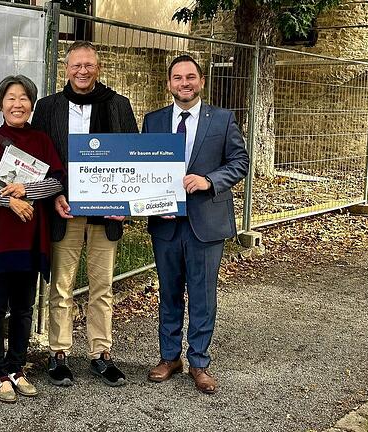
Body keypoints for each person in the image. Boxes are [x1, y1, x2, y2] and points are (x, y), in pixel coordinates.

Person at [32, 41, 138, 387]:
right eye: (76, 65)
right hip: (64, 211)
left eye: (89, 65)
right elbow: (37, 160)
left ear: (99, 67)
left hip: (105, 215)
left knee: (102, 286)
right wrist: (53, 196)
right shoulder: (48, 108)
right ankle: (58, 353)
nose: (82, 71)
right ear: (66, 68)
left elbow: (132, 159)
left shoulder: (119, 105)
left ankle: (100, 354)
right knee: (60, 286)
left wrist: (127, 204)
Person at [141, 55, 249, 394]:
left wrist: (208, 180)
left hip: (206, 221)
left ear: (201, 81)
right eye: (177, 77)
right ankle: (169, 357)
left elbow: (240, 161)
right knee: (169, 292)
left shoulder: (222, 119)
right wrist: (146, 201)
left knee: (202, 294)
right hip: (166, 223)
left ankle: (199, 362)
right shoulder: (154, 121)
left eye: (190, 77)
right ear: (169, 83)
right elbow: (144, 169)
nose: (184, 83)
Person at [0, 75, 65, 403]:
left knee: (23, 307)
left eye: (23, 98)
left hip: (30, 241)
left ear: (31, 104)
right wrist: (9, 201)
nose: (17, 104)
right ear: (1, 104)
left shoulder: (42, 141)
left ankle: (18, 367)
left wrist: (27, 190)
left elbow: (58, 181)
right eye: (10, 98)